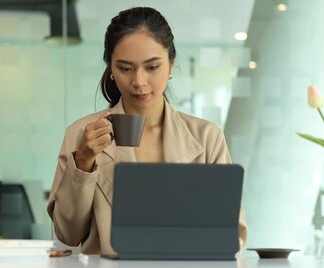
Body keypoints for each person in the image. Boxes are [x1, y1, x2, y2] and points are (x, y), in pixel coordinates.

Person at [46, 6, 247, 256]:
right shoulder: (80, 134)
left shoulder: (206, 137)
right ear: (110, 69)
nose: (139, 82)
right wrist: (83, 162)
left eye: (152, 67)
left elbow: (231, 234)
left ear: (170, 64)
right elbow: (68, 235)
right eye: (126, 68)